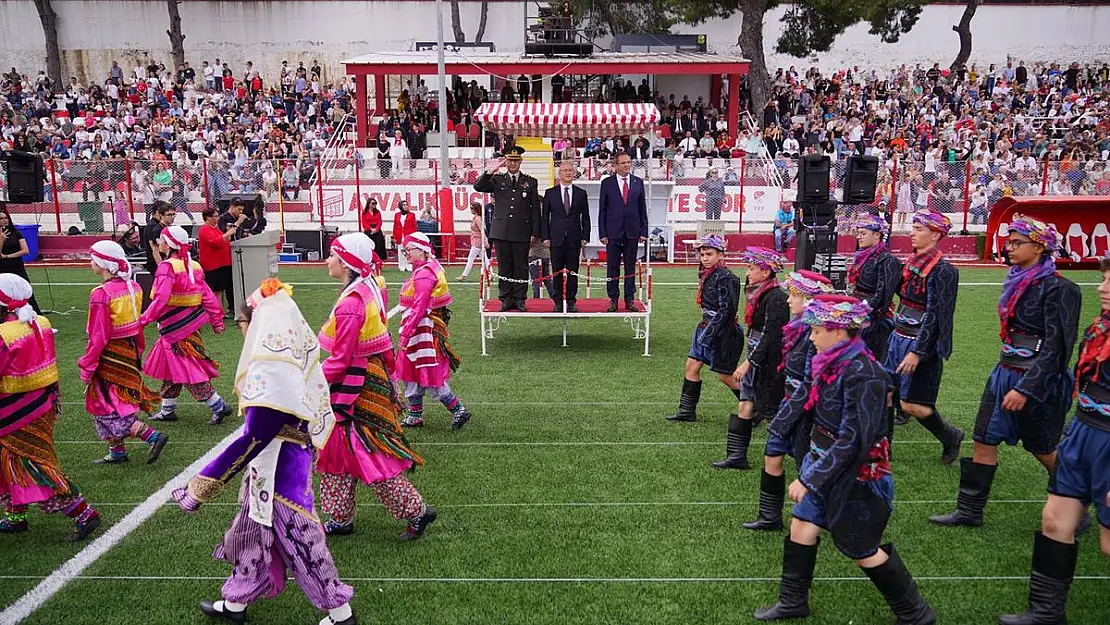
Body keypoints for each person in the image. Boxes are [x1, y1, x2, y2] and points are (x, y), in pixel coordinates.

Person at [170, 279, 358, 625]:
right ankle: (237, 602)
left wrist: (201, 487)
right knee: (251, 530)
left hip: (281, 469)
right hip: (273, 463)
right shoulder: (289, 351)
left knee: (301, 538)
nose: (243, 332)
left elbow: (254, 436)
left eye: (244, 324)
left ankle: (340, 612)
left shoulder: (272, 368)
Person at [755, 294, 935, 625]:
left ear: (839, 331)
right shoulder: (827, 360)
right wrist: (778, 427)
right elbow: (804, 401)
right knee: (802, 525)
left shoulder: (866, 373)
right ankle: (793, 601)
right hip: (825, 463)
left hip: (859, 475)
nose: (810, 337)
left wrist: (809, 478)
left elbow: (854, 439)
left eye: (816, 330)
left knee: (861, 549)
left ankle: (915, 612)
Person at [932, 215, 1082, 529]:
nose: (1009, 248)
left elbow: (1058, 348)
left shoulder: (1060, 289)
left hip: (1038, 381)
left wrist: (1027, 388)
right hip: (1004, 372)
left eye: (1017, 243)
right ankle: (970, 511)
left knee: (1043, 448)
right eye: (1009, 242)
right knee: (984, 438)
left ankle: (1074, 510)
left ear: (1040, 247)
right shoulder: (1015, 279)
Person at [997, 257, 1110, 625]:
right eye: (1104, 279)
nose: (1102, 288)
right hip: (1083, 430)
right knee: (1054, 521)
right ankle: (1047, 612)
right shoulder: (1100, 327)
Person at [315, 233, 436, 539]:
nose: (328, 260)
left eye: (332, 256)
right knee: (339, 448)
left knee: (366, 452)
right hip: (361, 379)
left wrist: (310, 380)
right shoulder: (365, 290)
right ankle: (340, 518)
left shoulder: (351, 303)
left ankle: (416, 511)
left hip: (355, 386)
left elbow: (341, 359)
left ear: (345, 263)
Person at [0, 275, 101, 542]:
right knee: (13, 460)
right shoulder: (39, 322)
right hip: (43, 403)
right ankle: (15, 515)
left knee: (31, 463)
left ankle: (83, 512)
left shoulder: (4, 335)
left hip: (14, 410)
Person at [744, 270, 833, 531]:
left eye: (794, 295)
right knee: (772, 454)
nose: (788, 300)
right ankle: (770, 516)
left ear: (808, 300)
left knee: (806, 462)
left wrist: (786, 415)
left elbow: (809, 381)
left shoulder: (814, 334)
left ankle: (823, 514)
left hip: (804, 410)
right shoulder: (797, 328)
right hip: (789, 401)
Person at [884, 210, 964, 464]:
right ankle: (883, 448)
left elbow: (936, 316)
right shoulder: (911, 262)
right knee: (885, 392)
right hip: (898, 336)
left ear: (936, 234)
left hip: (921, 343)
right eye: (914, 227)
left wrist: (917, 352)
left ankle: (950, 436)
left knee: (911, 406)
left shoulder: (943, 271)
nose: (912, 233)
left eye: (919, 228)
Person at [78, 241, 167, 465]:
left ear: (102, 263)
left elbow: (98, 336)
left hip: (109, 354)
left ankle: (151, 436)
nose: (91, 263)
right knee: (116, 398)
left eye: (92, 259)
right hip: (129, 349)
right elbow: (136, 325)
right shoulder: (133, 287)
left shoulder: (101, 294)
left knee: (104, 401)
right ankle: (117, 451)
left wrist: (87, 365)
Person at [140, 225, 232, 426]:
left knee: (187, 369)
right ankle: (167, 409)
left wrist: (144, 319)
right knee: (172, 369)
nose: (159, 243)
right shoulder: (193, 265)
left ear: (170, 244)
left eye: (162, 240)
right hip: (190, 325)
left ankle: (218, 405)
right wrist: (216, 321)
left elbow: (161, 298)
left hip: (174, 329)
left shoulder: (167, 267)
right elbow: (207, 296)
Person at [716, 247, 789, 470]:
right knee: (745, 402)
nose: (747, 272)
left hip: (768, 361)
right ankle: (737, 455)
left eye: (752, 268)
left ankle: (804, 455)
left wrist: (750, 362)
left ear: (766, 272)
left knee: (773, 410)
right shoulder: (759, 292)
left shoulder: (776, 297)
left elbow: (771, 335)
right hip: (756, 351)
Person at [665, 234, 744, 423]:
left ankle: (754, 407)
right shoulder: (706, 273)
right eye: (702, 255)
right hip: (705, 327)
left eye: (709, 254)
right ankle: (687, 411)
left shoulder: (727, 277)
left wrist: (709, 334)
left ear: (720, 254)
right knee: (691, 366)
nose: (705, 258)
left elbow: (727, 311)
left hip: (723, 332)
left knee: (726, 376)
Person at [396, 232, 472, 430]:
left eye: (408, 250)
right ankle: (415, 415)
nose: (406, 254)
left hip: (422, 330)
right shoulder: (428, 269)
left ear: (421, 250)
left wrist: (405, 335)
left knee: (427, 370)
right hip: (421, 328)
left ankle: (458, 410)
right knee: (412, 370)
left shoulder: (424, 274)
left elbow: (419, 308)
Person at [473, 146, 541, 312]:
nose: (513, 164)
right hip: (501, 231)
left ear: (521, 162)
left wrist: (535, 232)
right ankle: (505, 298)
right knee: (504, 267)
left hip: (521, 231)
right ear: (506, 161)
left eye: (516, 161)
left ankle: (519, 299)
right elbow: (478, 186)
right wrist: (491, 170)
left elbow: (535, 211)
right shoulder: (497, 180)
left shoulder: (530, 182)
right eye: (510, 160)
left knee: (521, 267)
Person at [598, 152, 648, 312]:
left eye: (628, 162)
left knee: (630, 268)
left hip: (632, 231)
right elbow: (602, 210)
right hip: (613, 232)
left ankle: (629, 299)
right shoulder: (607, 183)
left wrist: (644, 231)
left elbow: (642, 209)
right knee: (612, 267)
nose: (627, 165)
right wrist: (603, 233)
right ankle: (613, 299)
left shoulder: (638, 182)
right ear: (616, 165)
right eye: (623, 163)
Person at [848, 213, 901, 363]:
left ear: (877, 235)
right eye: (858, 233)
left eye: (863, 233)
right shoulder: (862, 255)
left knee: (871, 359)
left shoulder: (887, 259)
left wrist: (863, 311)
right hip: (858, 310)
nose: (859, 237)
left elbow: (883, 294)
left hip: (874, 318)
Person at [541, 160, 591, 312]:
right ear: (559, 173)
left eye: (570, 170)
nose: (568, 172)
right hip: (556, 239)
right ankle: (557, 301)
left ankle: (571, 301)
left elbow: (586, 217)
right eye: (564, 170)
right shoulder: (550, 193)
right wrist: (545, 237)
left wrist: (585, 237)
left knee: (573, 272)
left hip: (574, 239)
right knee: (556, 271)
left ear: (574, 173)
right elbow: (545, 218)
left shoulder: (581, 193)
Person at [0, 206, 40, 314]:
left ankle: (34, 311)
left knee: (26, 288)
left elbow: (25, 250)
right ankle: (5, 314)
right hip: (2, 267)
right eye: (1, 218)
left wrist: (8, 256)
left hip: (17, 266)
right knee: (4, 291)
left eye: (5, 218)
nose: (4, 220)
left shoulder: (16, 233)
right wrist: (1, 240)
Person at [198, 207, 235, 317]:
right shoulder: (204, 229)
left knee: (219, 290)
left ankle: (220, 311)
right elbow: (215, 242)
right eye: (215, 216)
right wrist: (228, 233)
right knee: (215, 290)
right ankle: (216, 312)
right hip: (213, 264)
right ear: (208, 217)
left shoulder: (215, 228)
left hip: (221, 263)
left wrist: (228, 232)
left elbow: (223, 241)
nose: (217, 218)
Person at [458, 202, 489, 281]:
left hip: (477, 242)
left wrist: (485, 241)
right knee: (484, 259)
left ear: (476, 209)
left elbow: (482, 230)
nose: (470, 209)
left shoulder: (477, 219)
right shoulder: (476, 218)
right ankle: (490, 274)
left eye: (472, 208)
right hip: (476, 241)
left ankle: (464, 275)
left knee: (471, 258)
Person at [144, 200, 176, 275]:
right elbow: (155, 250)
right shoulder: (153, 226)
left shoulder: (162, 226)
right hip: (156, 263)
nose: (172, 217)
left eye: (173, 214)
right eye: (169, 214)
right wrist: (162, 268)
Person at [392, 200, 417, 272]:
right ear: (400, 206)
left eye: (406, 204)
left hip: (408, 235)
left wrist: (413, 236)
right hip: (399, 235)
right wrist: (394, 237)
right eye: (404, 205)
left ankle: (409, 265)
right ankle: (401, 266)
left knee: (409, 251)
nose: (405, 206)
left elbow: (414, 226)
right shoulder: (397, 215)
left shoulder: (412, 215)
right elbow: (395, 226)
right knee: (401, 251)